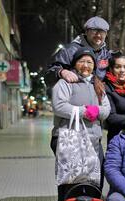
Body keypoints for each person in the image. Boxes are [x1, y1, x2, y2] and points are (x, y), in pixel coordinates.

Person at [50, 47, 111, 201]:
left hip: (93, 141)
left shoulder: (98, 84)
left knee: (95, 180)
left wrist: (96, 111)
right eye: (82, 61)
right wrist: (85, 112)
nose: (86, 65)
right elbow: (59, 106)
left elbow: (106, 110)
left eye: (90, 62)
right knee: (69, 180)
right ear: (75, 63)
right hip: (69, 139)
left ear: (94, 66)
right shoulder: (66, 82)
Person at [47, 16, 111, 155]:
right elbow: (50, 74)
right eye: (94, 31)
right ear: (86, 32)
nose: (98, 35)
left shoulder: (106, 54)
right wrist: (61, 71)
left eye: (103, 32)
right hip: (70, 131)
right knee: (72, 171)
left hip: (93, 130)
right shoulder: (70, 50)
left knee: (95, 172)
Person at [104, 52, 125, 143]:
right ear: (111, 69)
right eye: (118, 67)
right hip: (117, 139)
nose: (122, 70)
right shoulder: (106, 87)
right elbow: (111, 117)